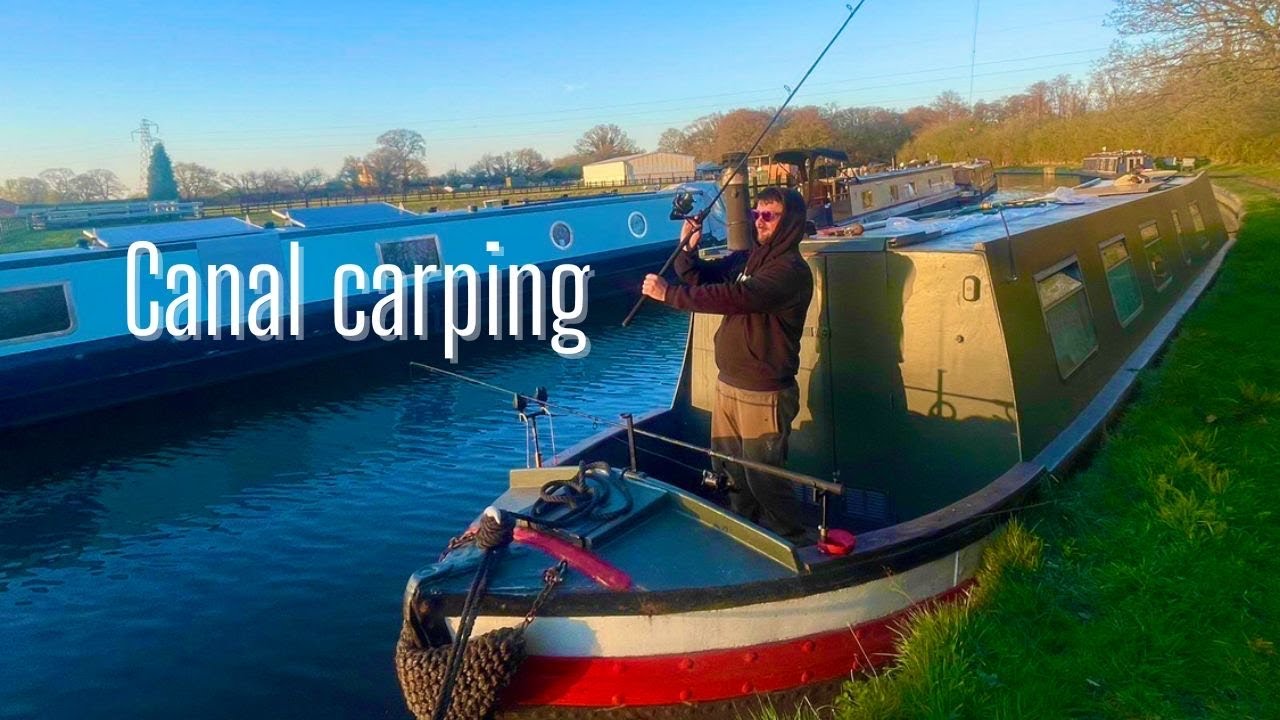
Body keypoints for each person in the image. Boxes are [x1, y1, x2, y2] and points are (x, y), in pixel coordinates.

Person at [641, 187, 813, 542]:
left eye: (770, 216)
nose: (760, 222)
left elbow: (738, 297)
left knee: (764, 477)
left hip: (763, 392)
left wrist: (668, 295)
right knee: (730, 471)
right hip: (729, 384)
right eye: (757, 214)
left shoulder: (791, 271)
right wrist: (688, 247)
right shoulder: (749, 259)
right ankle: (746, 534)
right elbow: (701, 277)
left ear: (790, 222)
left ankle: (794, 542)